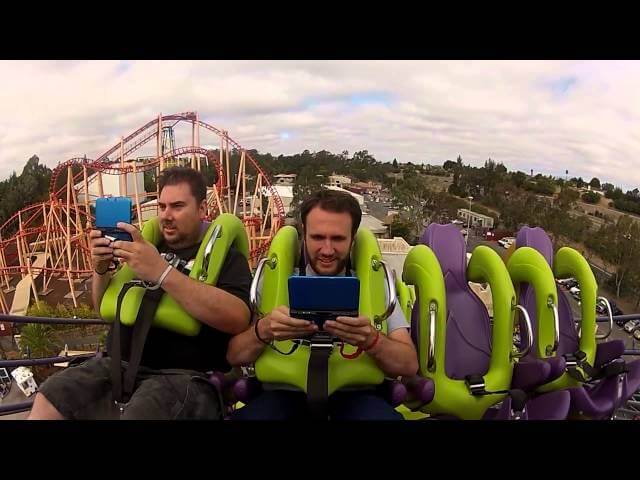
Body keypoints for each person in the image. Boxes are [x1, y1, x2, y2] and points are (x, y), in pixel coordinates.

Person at [28, 167, 252, 420]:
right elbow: (102, 306)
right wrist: (101, 270)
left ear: (201, 209)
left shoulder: (227, 258)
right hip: (116, 366)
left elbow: (238, 317)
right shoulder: (144, 247)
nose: (167, 216)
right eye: (162, 206)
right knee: (50, 395)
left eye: (177, 206)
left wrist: (162, 272)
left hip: (180, 375)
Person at [228, 189, 418, 420]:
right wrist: (264, 330)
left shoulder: (375, 286)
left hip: (356, 394)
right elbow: (235, 354)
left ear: (352, 238)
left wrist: (372, 340)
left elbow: (408, 364)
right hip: (283, 393)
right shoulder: (273, 280)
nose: (327, 250)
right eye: (318, 238)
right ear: (304, 234)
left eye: (338, 239)